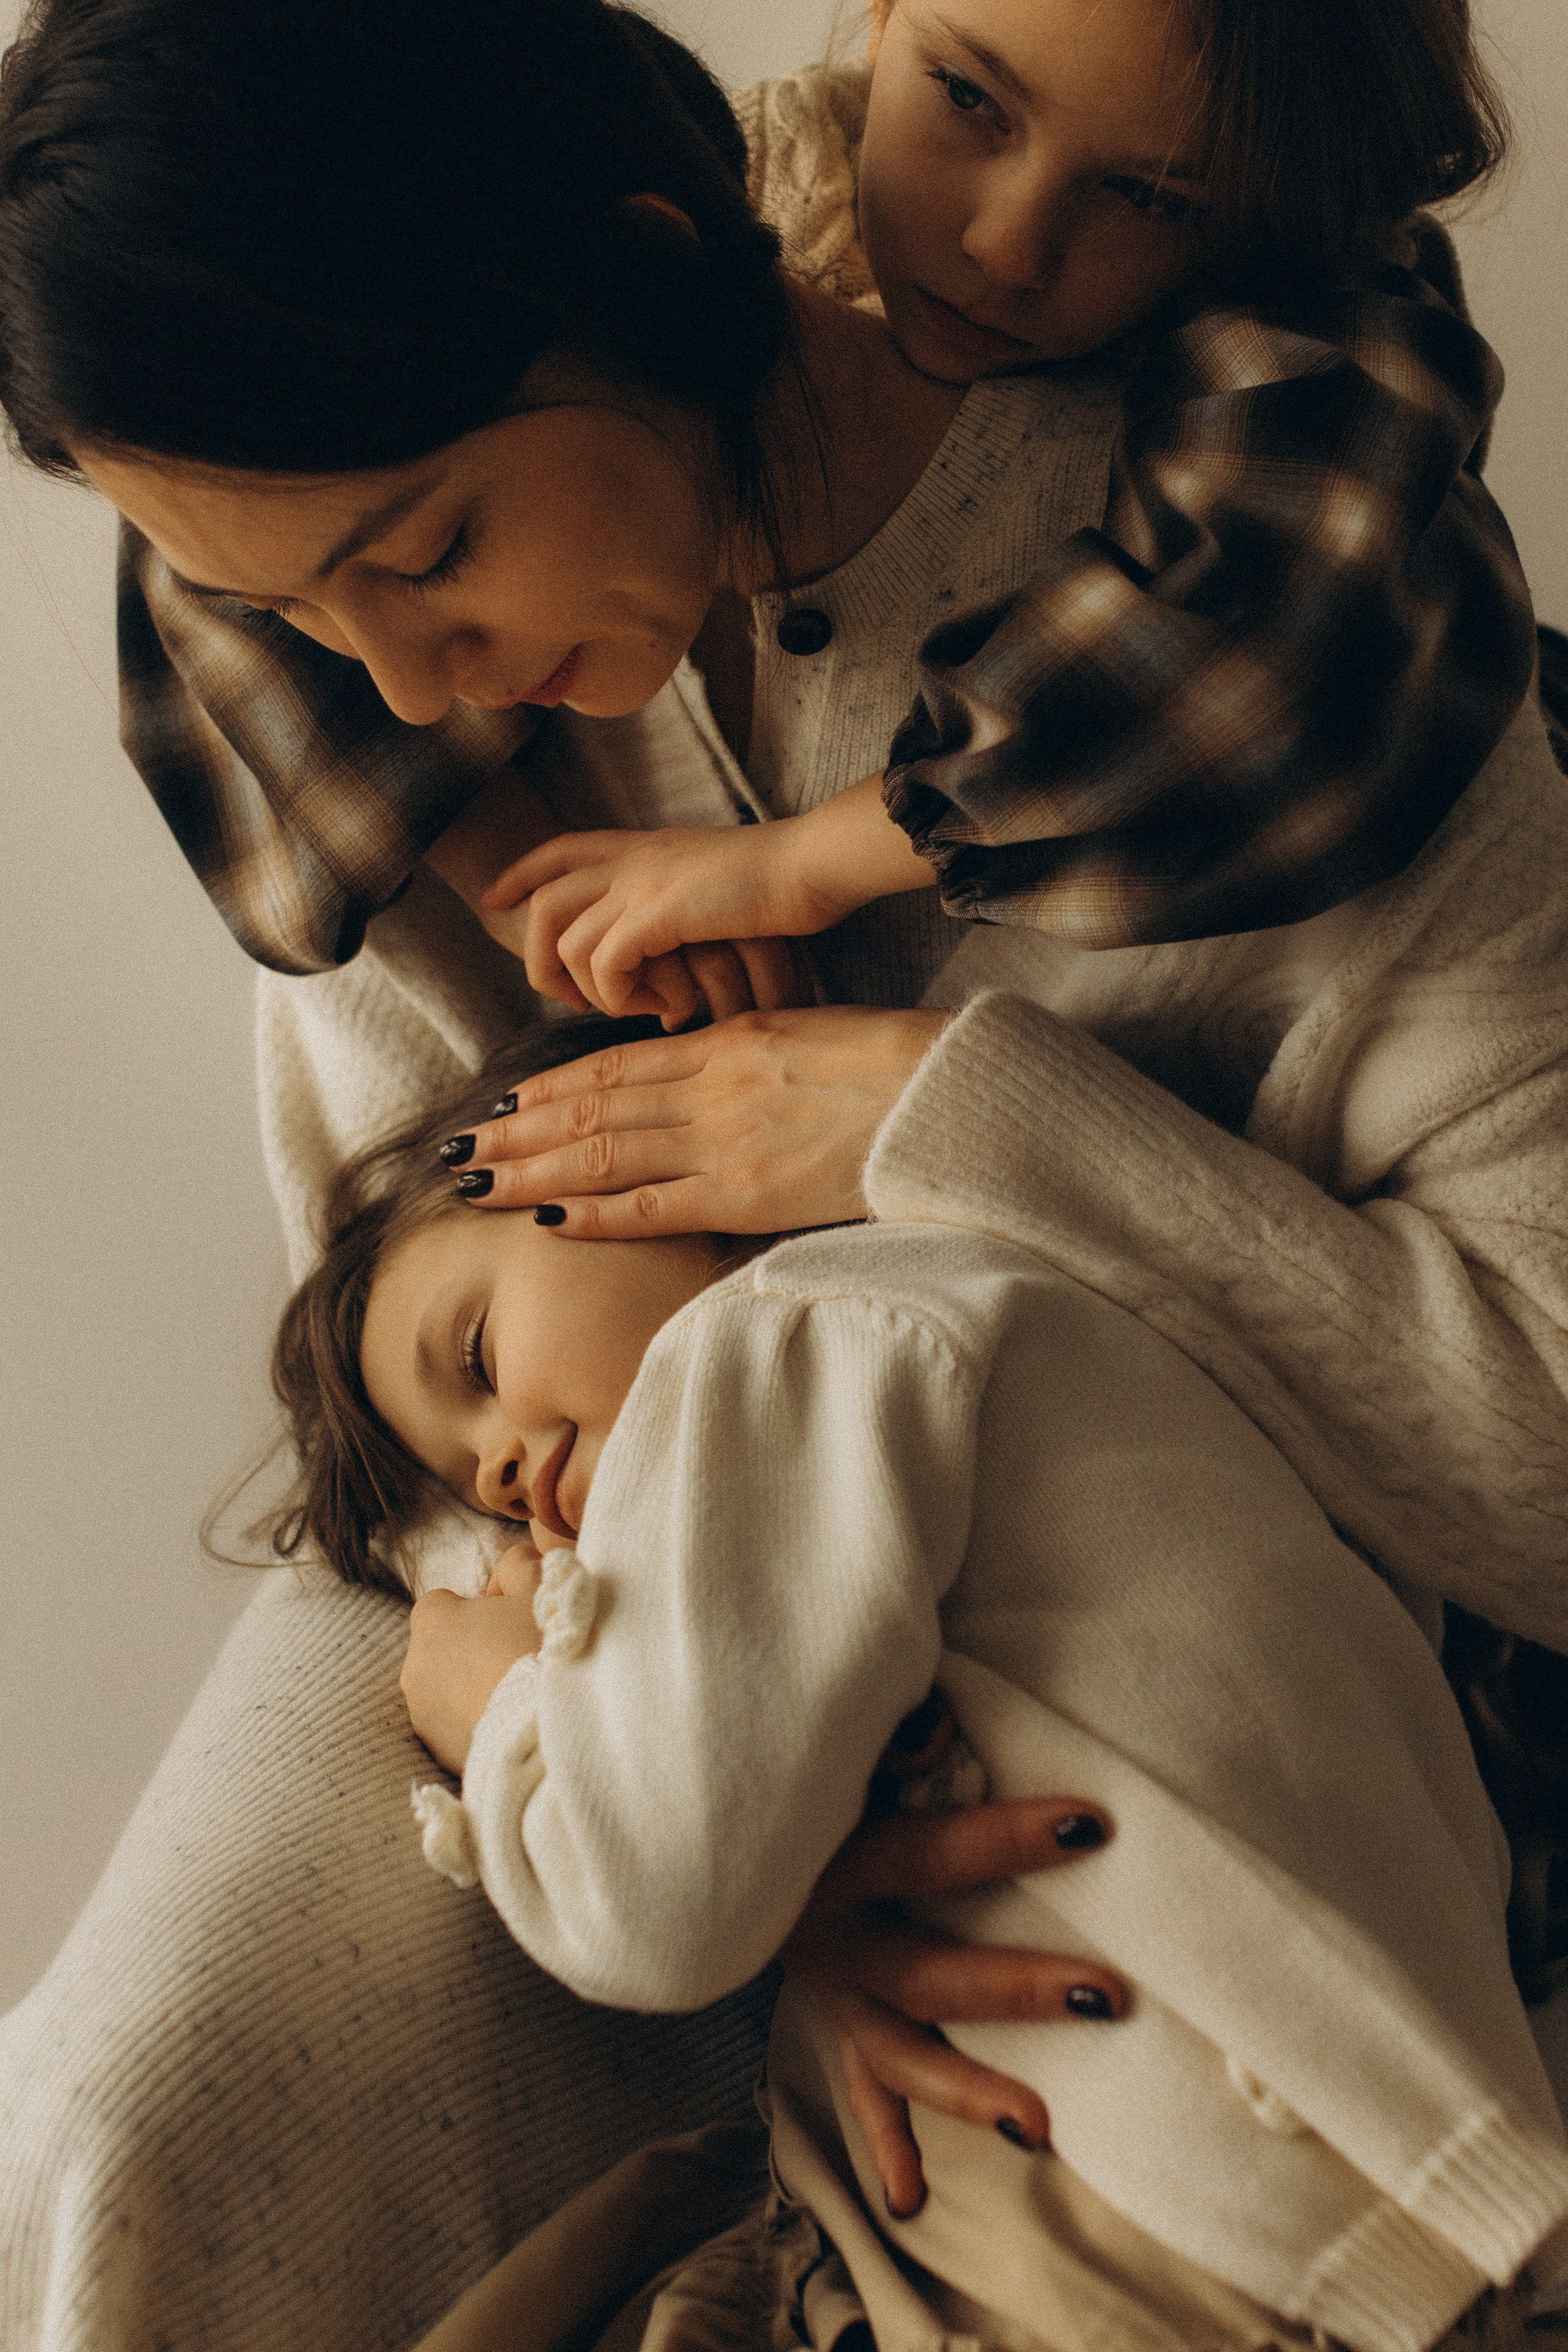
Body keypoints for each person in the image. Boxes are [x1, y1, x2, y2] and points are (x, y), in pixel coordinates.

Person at [263, 1009, 1568, 2352]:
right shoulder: (955, 1324)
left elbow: (652, 1893)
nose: (496, 1476)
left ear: (614, 1162)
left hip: (1181, 2206)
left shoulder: (777, 1343)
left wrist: (509, 1716)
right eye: (466, 1476)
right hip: (1242, 2174)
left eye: (476, 1358)